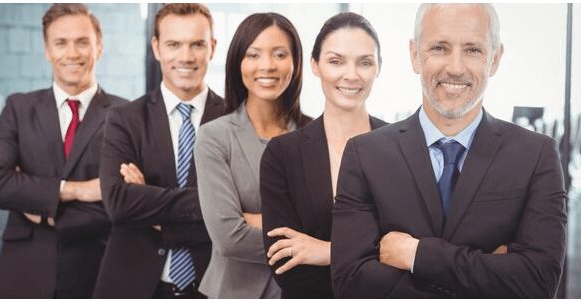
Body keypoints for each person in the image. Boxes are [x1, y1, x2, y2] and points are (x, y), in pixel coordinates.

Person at [330, 3, 567, 298]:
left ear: (495, 59)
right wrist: (488, 271)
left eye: (472, 50)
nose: (455, 68)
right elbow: (351, 282)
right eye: (439, 48)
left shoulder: (536, 155)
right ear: (415, 55)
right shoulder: (365, 154)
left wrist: (417, 255)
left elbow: (538, 282)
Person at [0, 4, 127, 298]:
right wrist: (74, 190)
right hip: (24, 269)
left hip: (95, 269)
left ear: (99, 46)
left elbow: (125, 202)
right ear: (47, 50)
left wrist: (40, 208)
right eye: (61, 43)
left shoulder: (127, 115)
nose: (72, 53)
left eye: (82, 42)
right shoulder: (19, 108)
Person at [93, 3, 224, 298]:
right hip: (133, 282)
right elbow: (118, 203)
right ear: (156, 47)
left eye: (197, 44)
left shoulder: (235, 119)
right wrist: (212, 203)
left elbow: (240, 213)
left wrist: (147, 197)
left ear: (212, 47)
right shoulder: (123, 118)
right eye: (174, 44)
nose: (186, 56)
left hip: (213, 284)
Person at [260, 12, 387, 298]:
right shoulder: (283, 154)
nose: (351, 75)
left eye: (365, 62)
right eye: (336, 61)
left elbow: (416, 253)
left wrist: (327, 251)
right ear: (315, 65)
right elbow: (285, 266)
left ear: (379, 68)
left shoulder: (403, 146)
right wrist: (376, 254)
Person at [194, 12, 311, 298]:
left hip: (304, 291)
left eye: (280, 54)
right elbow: (228, 238)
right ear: (238, 63)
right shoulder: (214, 137)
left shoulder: (316, 135)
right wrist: (310, 244)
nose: (267, 65)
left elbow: (338, 225)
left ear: (295, 63)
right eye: (254, 54)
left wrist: (258, 219)